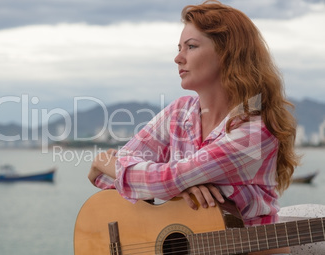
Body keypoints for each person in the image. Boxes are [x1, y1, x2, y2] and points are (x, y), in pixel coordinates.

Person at [88, 1, 299, 254]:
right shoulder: (180, 112)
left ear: (227, 54)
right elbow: (104, 180)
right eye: (179, 48)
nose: (178, 58)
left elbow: (160, 178)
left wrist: (105, 162)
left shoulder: (255, 131)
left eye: (191, 46)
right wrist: (182, 186)